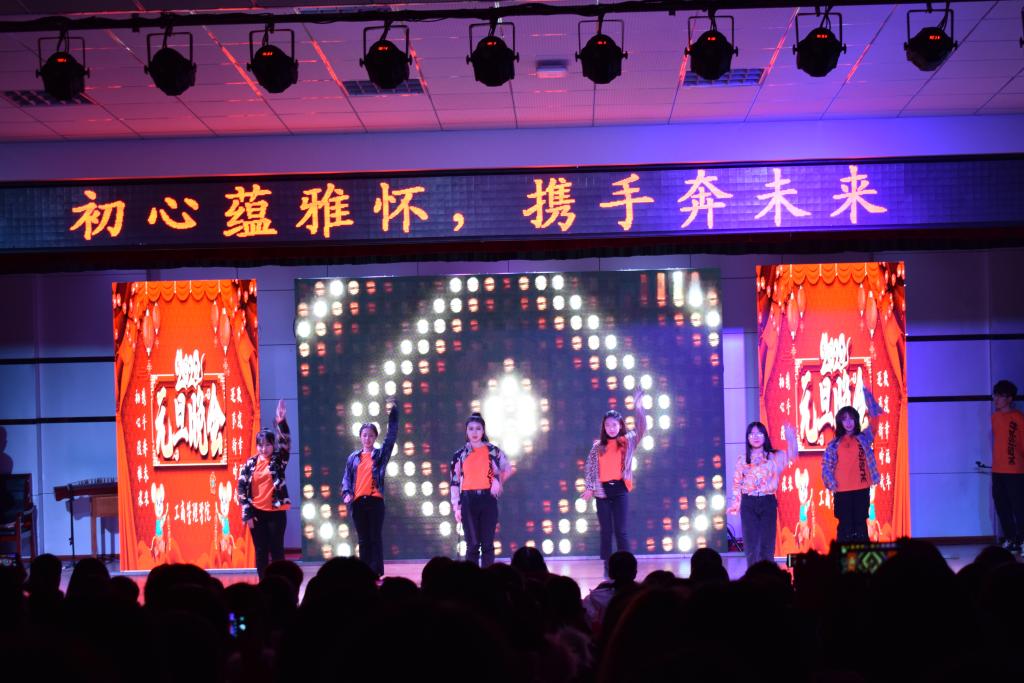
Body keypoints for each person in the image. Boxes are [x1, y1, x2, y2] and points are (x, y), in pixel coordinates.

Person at [582, 387, 646, 566]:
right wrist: (589, 488)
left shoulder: (627, 441)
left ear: (620, 425)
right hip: (602, 492)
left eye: (614, 425)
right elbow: (590, 468)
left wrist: (639, 406)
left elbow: (641, 428)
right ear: (604, 427)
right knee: (606, 531)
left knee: (621, 531)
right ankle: (608, 567)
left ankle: (626, 566)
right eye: (608, 425)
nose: (611, 428)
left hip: (620, 490)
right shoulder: (597, 446)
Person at [727, 421, 798, 566]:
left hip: (767, 502)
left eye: (759, 433)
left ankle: (768, 575)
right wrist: (736, 504)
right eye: (752, 434)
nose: (755, 437)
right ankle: (753, 575)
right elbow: (737, 483)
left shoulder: (774, 456)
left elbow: (792, 454)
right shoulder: (742, 459)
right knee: (751, 545)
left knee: (767, 543)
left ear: (765, 436)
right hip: (749, 503)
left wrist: (791, 438)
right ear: (747, 438)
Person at [342, 403, 399, 577]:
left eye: (371, 435)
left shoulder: (379, 455)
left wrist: (393, 415)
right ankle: (364, 572)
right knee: (363, 539)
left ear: (375, 438)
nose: (367, 438)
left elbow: (391, 439)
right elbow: (347, 478)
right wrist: (347, 493)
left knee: (374, 538)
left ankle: (376, 572)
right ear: (360, 437)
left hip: (375, 501)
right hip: (358, 502)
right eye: (364, 435)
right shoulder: (353, 457)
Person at [237, 398, 290, 579]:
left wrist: (281, 421)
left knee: (277, 551)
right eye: (260, 445)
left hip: (276, 512)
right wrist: (248, 514)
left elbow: (285, 444)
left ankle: (281, 583)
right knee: (261, 552)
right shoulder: (250, 464)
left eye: (267, 444)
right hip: (257, 513)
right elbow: (241, 490)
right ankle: (264, 584)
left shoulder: (278, 460)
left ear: (272, 445)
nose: (264, 448)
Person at [450, 412, 511, 567]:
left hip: (487, 499)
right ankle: (473, 578)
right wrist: (456, 506)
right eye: (471, 429)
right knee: (472, 545)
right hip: (468, 500)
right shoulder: (460, 455)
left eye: (478, 428)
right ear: (466, 431)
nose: (474, 432)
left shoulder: (493, 451)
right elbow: (454, 482)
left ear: (483, 431)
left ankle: (487, 577)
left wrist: (498, 481)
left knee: (487, 544)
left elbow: (507, 468)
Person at [821, 390, 882, 543]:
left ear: (856, 420)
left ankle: (863, 558)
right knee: (845, 528)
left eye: (851, 418)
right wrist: (830, 482)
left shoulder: (864, 437)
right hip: (842, 491)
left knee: (861, 526)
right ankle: (842, 557)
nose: (848, 422)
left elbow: (875, 420)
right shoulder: (834, 444)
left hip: (862, 488)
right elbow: (826, 465)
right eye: (844, 419)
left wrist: (868, 396)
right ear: (840, 422)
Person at [990, 379, 1024, 554]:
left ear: (1009, 398)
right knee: (1002, 506)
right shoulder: (995, 417)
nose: (996, 399)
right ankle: (1011, 538)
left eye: (1001, 396)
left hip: (1015, 470)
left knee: (1019, 507)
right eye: (995, 395)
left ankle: (1022, 540)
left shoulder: (1018, 417)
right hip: (998, 470)